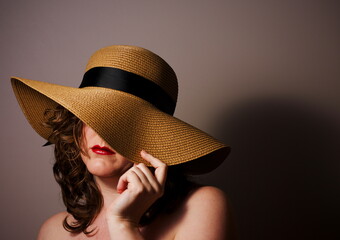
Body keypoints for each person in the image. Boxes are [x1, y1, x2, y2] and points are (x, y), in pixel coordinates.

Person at [11, 45, 235, 239]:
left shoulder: (202, 206)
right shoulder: (53, 232)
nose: (103, 136)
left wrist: (124, 224)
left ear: (155, 139)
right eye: (92, 118)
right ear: (74, 126)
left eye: (123, 123)